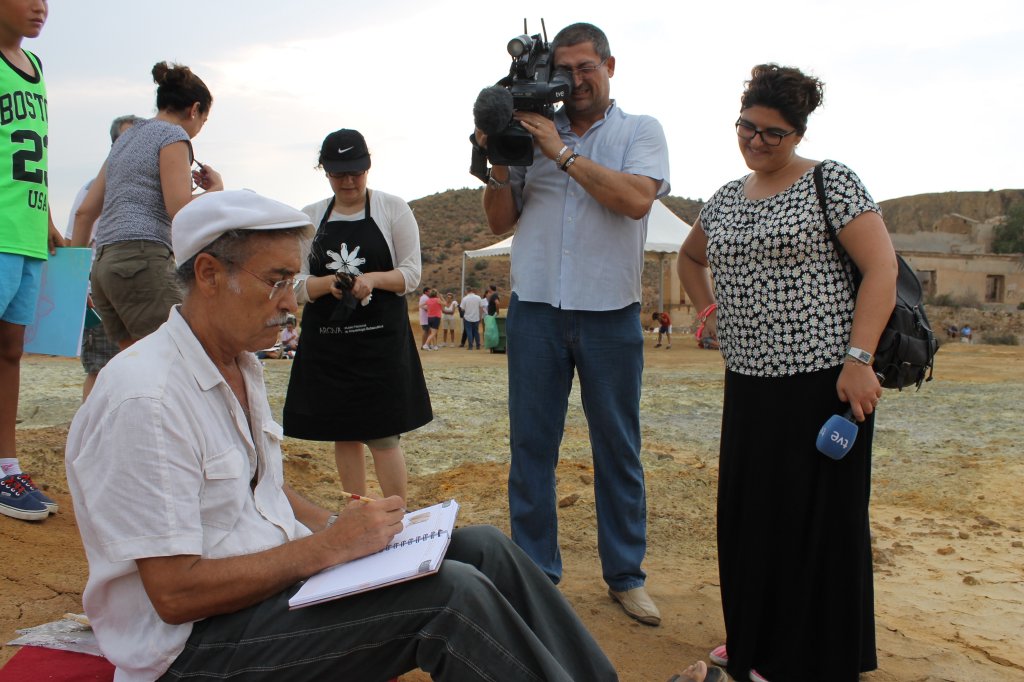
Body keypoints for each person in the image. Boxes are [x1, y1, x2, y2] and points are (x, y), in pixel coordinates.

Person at [63, 188, 719, 682]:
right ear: (208, 274)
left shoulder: (233, 360)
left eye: (292, 281)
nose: (291, 302)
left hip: (264, 593)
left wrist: (351, 532)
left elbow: (261, 491)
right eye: (274, 281)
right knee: (449, 600)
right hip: (195, 651)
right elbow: (175, 594)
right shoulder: (148, 397)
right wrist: (327, 552)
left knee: (483, 549)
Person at [676, 64, 896, 682]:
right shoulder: (724, 197)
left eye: (772, 133)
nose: (756, 141)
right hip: (748, 384)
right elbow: (693, 258)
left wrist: (858, 360)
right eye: (747, 126)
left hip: (824, 381)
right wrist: (707, 309)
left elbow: (882, 269)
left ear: (798, 133)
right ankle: (756, 637)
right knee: (753, 517)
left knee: (816, 520)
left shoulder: (832, 182)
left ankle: (808, 656)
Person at [477, 22, 670, 625]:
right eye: (564, 70)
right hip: (534, 308)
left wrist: (559, 152)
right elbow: (497, 224)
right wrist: (500, 159)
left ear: (610, 65)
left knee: (618, 448)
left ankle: (625, 576)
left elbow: (636, 199)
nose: (574, 81)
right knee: (531, 449)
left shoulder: (641, 132)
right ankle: (536, 576)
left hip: (610, 312)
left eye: (586, 67)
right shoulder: (528, 133)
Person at [283, 129, 431, 503]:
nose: (348, 181)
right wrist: (326, 283)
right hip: (330, 345)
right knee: (344, 432)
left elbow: (410, 274)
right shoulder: (310, 217)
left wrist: (371, 280)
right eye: (338, 174)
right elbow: (296, 282)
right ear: (325, 172)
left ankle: (398, 517)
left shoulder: (392, 208)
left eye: (356, 172)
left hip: (379, 342)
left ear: (368, 167)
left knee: (383, 434)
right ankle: (358, 518)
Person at [70, 61, 223, 350]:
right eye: (203, 120)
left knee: (135, 367)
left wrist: (74, 281)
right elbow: (178, 208)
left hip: (103, 268)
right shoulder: (174, 137)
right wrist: (216, 192)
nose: (199, 128)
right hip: (142, 261)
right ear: (194, 109)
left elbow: (85, 212)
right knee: (178, 353)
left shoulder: (125, 139)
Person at [0, 0, 63, 522]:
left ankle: (5, 466)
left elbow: (33, 153)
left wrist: (46, 222)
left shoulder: (36, 68)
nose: (41, 7)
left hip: (26, 235)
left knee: (11, 351)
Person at [63, 114, 145, 401]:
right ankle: (90, 436)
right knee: (101, 367)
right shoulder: (92, 188)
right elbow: (75, 238)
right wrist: (77, 287)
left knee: (142, 367)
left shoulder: (149, 186)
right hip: (101, 291)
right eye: (125, 141)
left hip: (141, 287)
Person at [460, 285, 482, 349]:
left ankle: (470, 346)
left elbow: (462, 309)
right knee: (476, 331)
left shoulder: (465, 298)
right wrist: (480, 316)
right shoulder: (478, 297)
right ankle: (478, 345)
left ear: (466, 291)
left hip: (467, 317)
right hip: (476, 317)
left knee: (469, 331)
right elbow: (481, 308)